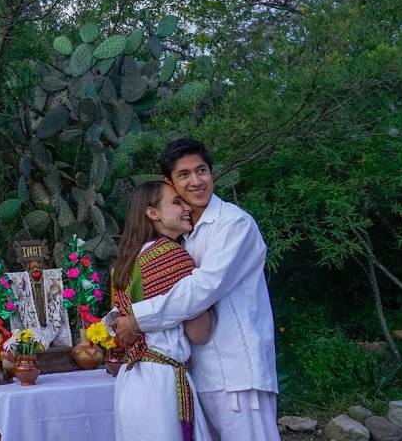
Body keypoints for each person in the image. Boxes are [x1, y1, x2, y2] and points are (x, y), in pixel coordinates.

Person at [113, 138, 280, 441]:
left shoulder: (233, 224)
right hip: (196, 375)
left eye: (202, 170)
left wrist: (137, 320)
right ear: (170, 182)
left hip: (237, 375)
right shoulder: (183, 237)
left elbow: (203, 288)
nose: (196, 181)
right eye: (184, 174)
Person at [111, 180, 213, 441]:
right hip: (163, 384)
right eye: (176, 202)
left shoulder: (131, 259)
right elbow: (198, 332)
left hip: (133, 379)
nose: (187, 207)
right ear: (152, 213)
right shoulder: (172, 255)